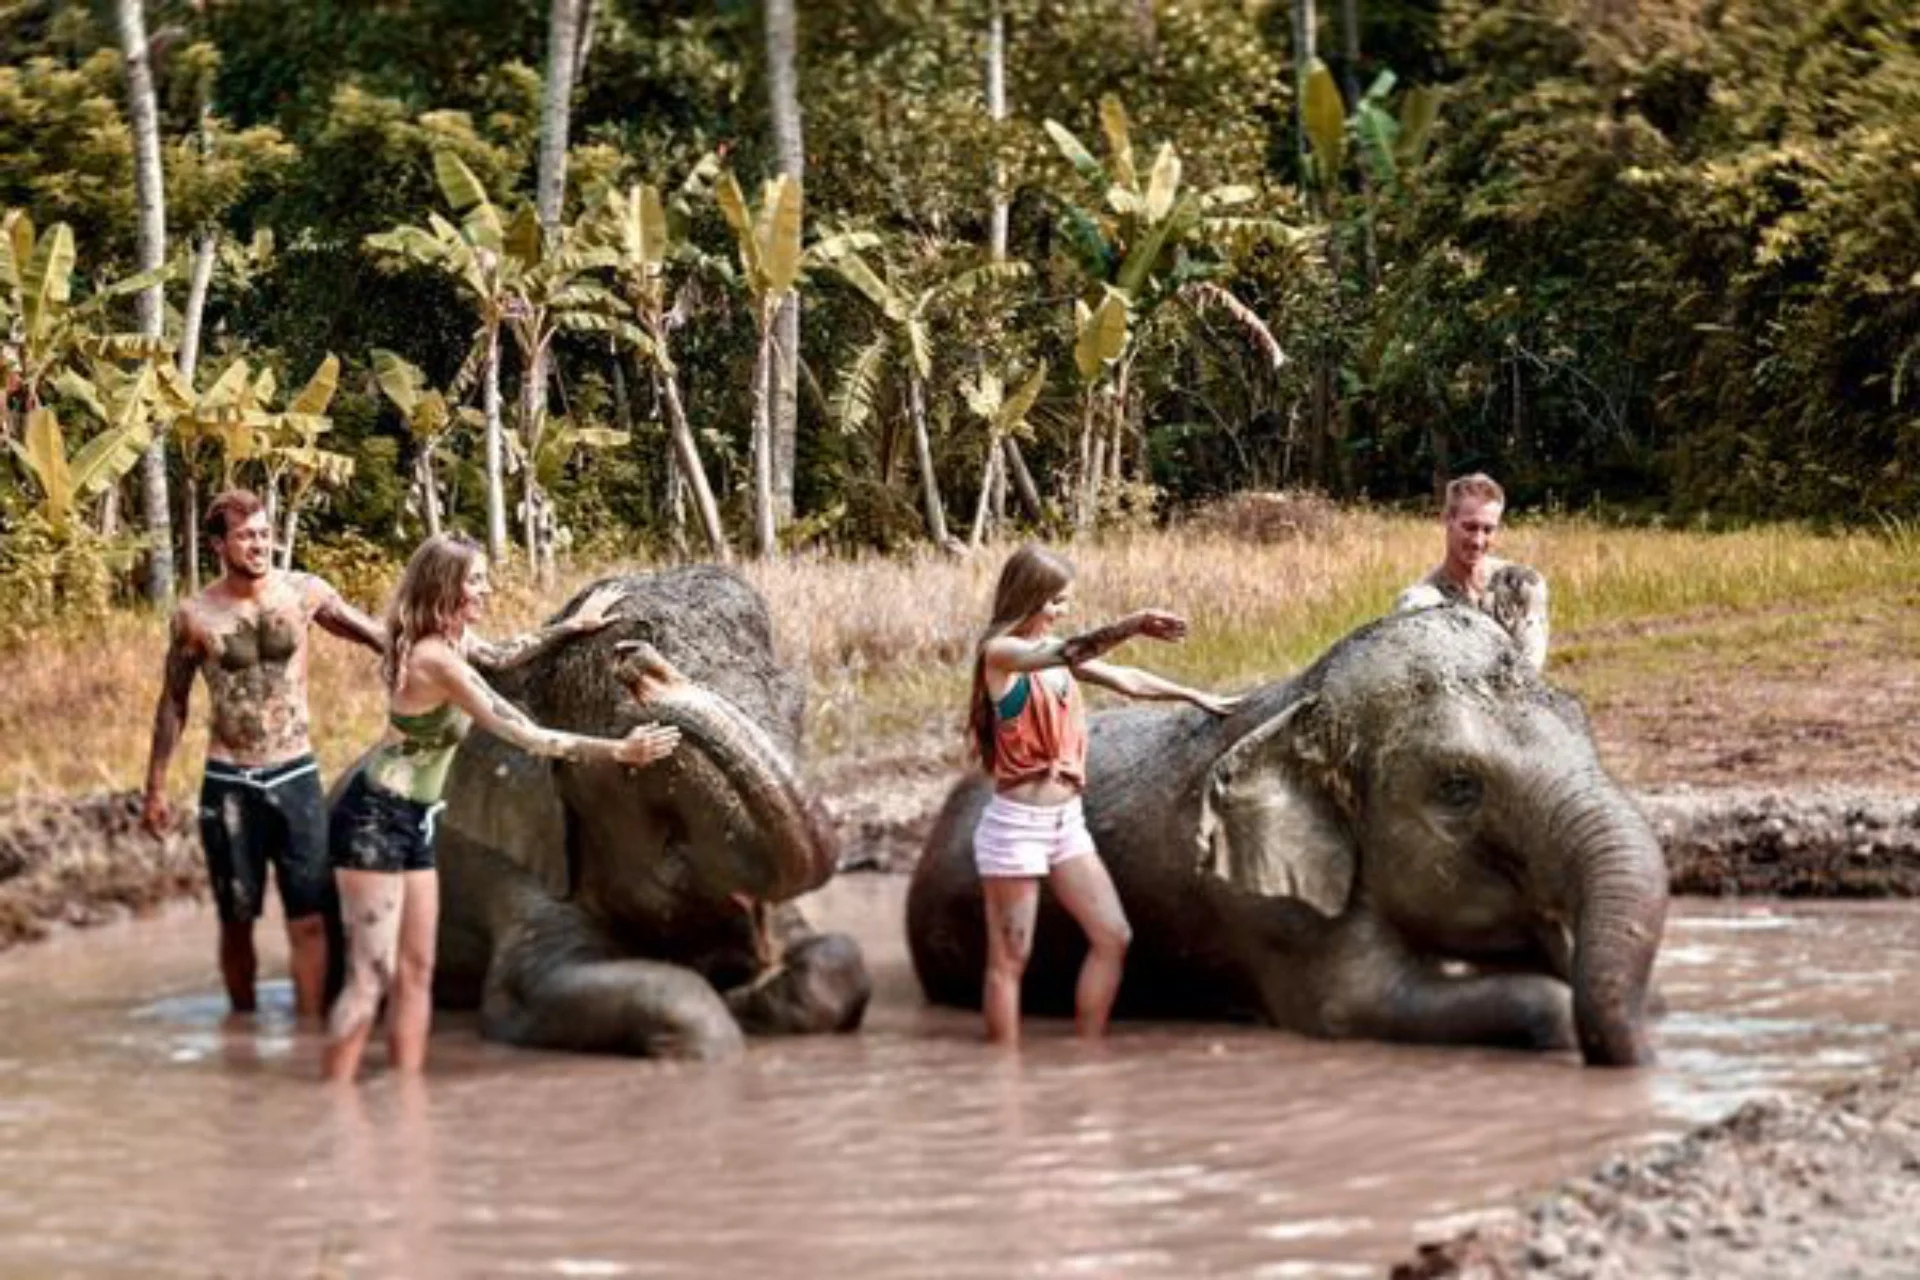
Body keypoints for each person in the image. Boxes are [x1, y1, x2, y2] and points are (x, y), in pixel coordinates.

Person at [322, 535, 681, 1083]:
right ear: (446, 588)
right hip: (373, 819)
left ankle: (405, 1103)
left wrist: (572, 626)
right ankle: (330, 1112)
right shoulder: (433, 658)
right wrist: (620, 752)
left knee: (418, 972)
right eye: (477, 580)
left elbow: (504, 654)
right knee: (370, 978)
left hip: (415, 819)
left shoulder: (454, 640)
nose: (487, 589)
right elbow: (525, 734)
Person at [967, 544, 1240, 1045]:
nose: (1059, 612)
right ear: (1026, 596)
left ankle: (1088, 1058)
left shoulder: (1053, 658)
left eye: (1065, 602)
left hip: (1066, 823)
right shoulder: (1002, 654)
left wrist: (1192, 695)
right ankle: (1001, 1084)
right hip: (1016, 827)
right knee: (1010, 958)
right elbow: (1074, 651)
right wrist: (1132, 623)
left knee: (1112, 937)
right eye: (1053, 601)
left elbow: (1125, 679)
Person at [142, 489, 386, 1022]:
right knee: (236, 918)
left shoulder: (303, 593)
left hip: (295, 771)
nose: (259, 544)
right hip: (229, 782)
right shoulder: (195, 616)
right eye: (246, 535)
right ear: (218, 544)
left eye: (264, 533)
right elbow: (173, 702)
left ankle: (309, 1032)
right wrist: (156, 786)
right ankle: (244, 1028)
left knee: (310, 919)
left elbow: (375, 635)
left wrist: (441, 656)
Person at [1394, 472, 1551, 671]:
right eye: (1469, 527)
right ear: (1447, 520)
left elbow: (1529, 670)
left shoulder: (1522, 586)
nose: (1477, 541)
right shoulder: (1420, 603)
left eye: (1488, 530)